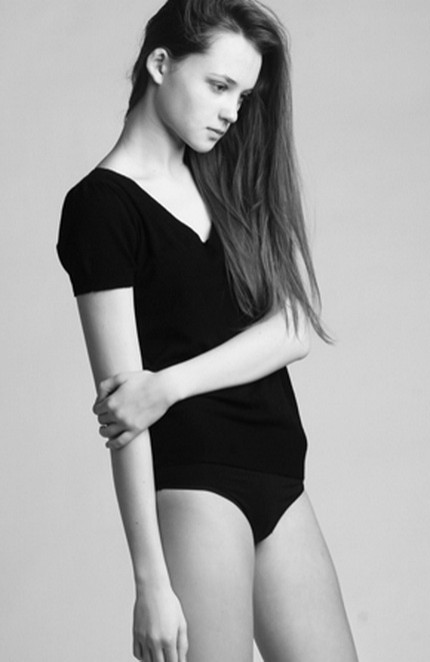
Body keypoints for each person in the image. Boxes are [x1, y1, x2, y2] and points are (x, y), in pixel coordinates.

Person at [57, 0, 359, 660]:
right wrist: (150, 584)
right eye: (219, 86)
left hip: (281, 474)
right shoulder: (100, 208)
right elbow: (125, 414)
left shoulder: (226, 180)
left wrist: (167, 385)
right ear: (160, 64)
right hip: (197, 483)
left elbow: (293, 328)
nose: (231, 112)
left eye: (242, 96)